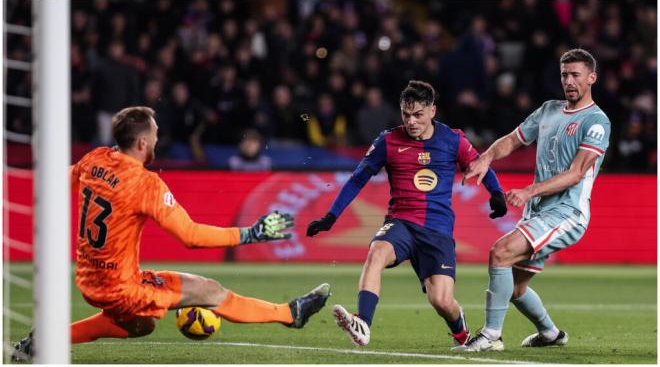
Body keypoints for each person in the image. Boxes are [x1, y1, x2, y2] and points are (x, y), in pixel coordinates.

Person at [12, 106, 330, 361]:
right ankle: (291, 314)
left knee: (142, 326)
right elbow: (191, 236)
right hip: (123, 287)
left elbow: (62, 183)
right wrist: (250, 234)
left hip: (88, 278)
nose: (157, 140)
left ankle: (41, 343)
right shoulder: (146, 184)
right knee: (210, 291)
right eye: (154, 136)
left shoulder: (95, 158)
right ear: (141, 144)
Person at [306, 81, 507, 347]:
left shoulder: (453, 139)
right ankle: (363, 323)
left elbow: (481, 165)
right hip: (400, 223)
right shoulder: (388, 141)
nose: (411, 121)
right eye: (406, 114)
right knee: (376, 252)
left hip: (437, 231)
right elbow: (357, 179)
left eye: (418, 115)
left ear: (432, 111)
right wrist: (331, 217)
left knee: (441, 300)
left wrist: (496, 194)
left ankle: (462, 335)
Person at [453, 48, 611, 352]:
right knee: (513, 287)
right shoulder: (549, 109)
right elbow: (513, 139)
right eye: (564, 74)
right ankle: (551, 334)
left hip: (567, 212)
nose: (569, 81)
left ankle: (491, 335)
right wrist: (485, 159)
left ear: (592, 78)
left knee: (500, 252)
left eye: (576, 75)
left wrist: (529, 190)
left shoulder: (597, 121)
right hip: (538, 211)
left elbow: (577, 173)